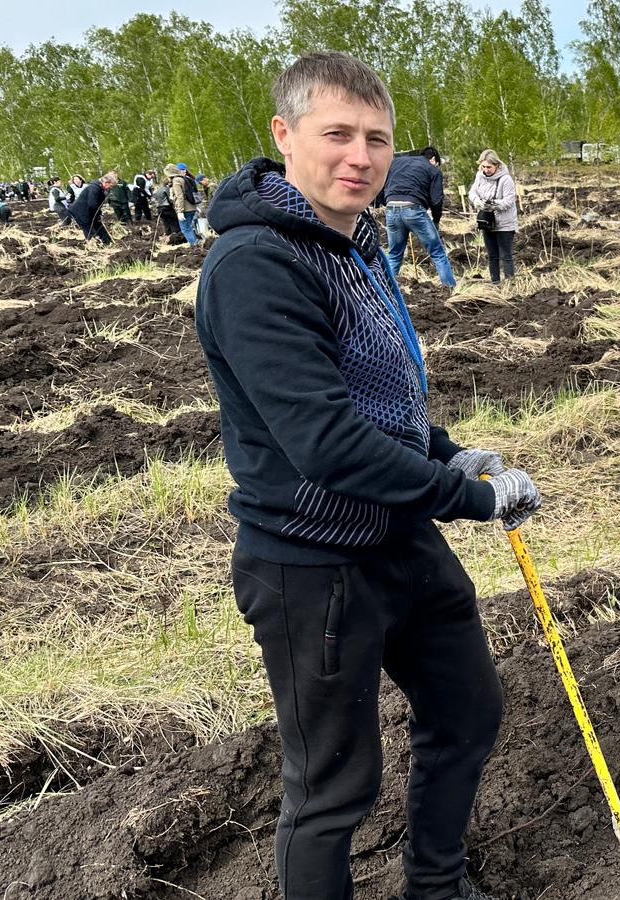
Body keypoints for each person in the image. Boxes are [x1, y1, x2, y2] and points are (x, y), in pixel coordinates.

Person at [194, 51, 539, 900]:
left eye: (376, 139)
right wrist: (472, 496)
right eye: (337, 134)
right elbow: (329, 443)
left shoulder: (353, 245)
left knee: (466, 712)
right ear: (284, 135)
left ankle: (436, 887)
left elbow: (383, 399)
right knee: (331, 791)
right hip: (310, 563)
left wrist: (447, 449)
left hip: (397, 536)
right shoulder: (254, 266)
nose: (360, 157)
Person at [382, 146, 456, 288]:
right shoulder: (432, 169)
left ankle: (386, 291)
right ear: (433, 159)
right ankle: (450, 289)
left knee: (394, 255)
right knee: (438, 253)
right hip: (413, 209)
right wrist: (436, 220)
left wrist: (384, 201)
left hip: (391, 208)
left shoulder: (396, 163)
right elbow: (436, 200)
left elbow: (382, 183)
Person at [468, 150, 518, 284]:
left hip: (505, 223)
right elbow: (472, 192)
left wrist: (493, 204)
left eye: (489, 167)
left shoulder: (506, 179)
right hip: (488, 222)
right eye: (483, 167)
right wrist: (477, 201)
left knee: (505, 256)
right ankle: (495, 283)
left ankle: (510, 285)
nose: (486, 170)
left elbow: (509, 201)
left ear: (496, 165)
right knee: (492, 256)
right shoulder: (480, 176)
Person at [70, 170, 117, 246]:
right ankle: (94, 245)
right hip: (81, 212)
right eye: (110, 186)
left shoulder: (99, 187)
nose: (110, 188)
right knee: (89, 229)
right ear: (106, 183)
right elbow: (92, 203)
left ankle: (108, 242)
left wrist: (98, 214)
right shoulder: (94, 188)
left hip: (89, 211)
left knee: (98, 225)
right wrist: (98, 214)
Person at [171, 163, 200, 246]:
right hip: (193, 207)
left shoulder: (177, 180)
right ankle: (197, 242)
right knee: (190, 226)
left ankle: (195, 245)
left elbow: (179, 196)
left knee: (186, 229)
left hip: (185, 208)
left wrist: (180, 211)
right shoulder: (189, 179)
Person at [156, 166, 182, 242]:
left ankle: (168, 236)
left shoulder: (158, 189)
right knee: (174, 221)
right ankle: (175, 237)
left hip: (160, 208)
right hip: (167, 207)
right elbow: (169, 199)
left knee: (166, 223)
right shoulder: (166, 189)